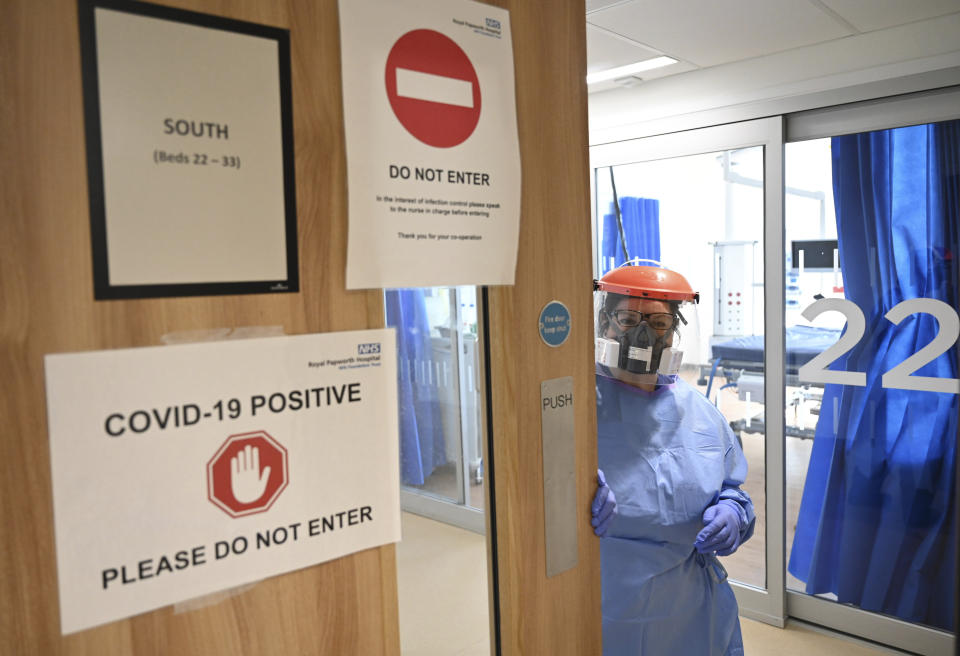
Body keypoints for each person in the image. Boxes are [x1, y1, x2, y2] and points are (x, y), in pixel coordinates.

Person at [589, 261, 756, 656]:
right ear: (605, 324)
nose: (644, 334)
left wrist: (733, 512)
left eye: (659, 323)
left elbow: (732, 489)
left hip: (689, 610)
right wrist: (571, 496)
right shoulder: (577, 406)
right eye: (628, 318)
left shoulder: (699, 412)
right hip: (606, 604)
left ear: (675, 331)